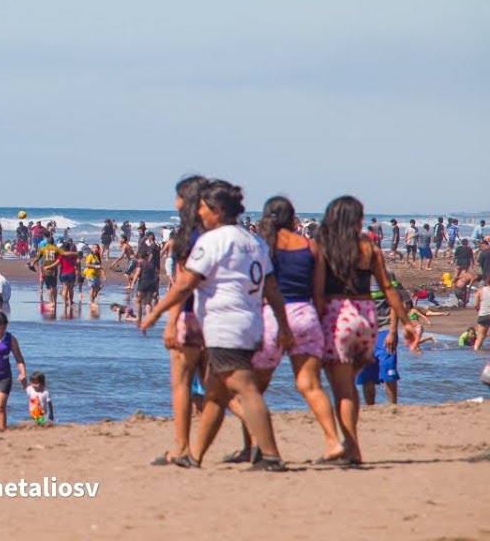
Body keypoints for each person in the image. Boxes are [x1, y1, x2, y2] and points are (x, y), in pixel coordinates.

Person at [141, 179, 294, 471]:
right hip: (251, 324)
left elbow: (185, 283)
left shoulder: (213, 241)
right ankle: (193, 455)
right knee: (215, 393)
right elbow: (272, 289)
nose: (199, 213)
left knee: (245, 388)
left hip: (225, 325)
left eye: (202, 207)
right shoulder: (255, 241)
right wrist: (283, 326)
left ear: (217, 210)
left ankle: (270, 454)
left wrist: (156, 312)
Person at [224, 196, 345, 465]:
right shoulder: (312, 247)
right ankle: (333, 442)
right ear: (293, 218)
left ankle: (254, 446)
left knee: (252, 390)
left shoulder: (261, 247)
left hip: (271, 317)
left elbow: (252, 288)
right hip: (305, 314)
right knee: (311, 386)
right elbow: (319, 293)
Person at [314, 196, 419, 465]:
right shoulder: (369, 247)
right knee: (350, 383)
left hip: (338, 315)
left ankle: (350, 449)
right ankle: (350, 448)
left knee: (343, 388)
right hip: (366, 317)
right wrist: (406, 322)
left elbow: (317, 291)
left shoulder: (323, 247)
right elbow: (387, 287)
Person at [474, 284, 490, 351]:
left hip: (483, 315)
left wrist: (479, 310)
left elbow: (475, 305)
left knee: (480, 337)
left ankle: (475, 352)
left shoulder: (480, 290)